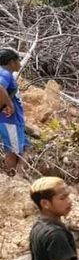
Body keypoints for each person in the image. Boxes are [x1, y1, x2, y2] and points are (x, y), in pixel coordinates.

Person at [0, 48, 27, 177]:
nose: (20, 64)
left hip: (15, 121)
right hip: (9, 120)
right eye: (18, 61)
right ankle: (9, 181)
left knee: (24, 147)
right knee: (12, 152)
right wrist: (10, 105)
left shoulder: (6, 73)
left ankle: (18, 177)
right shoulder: (5, 73)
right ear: (11, 62)